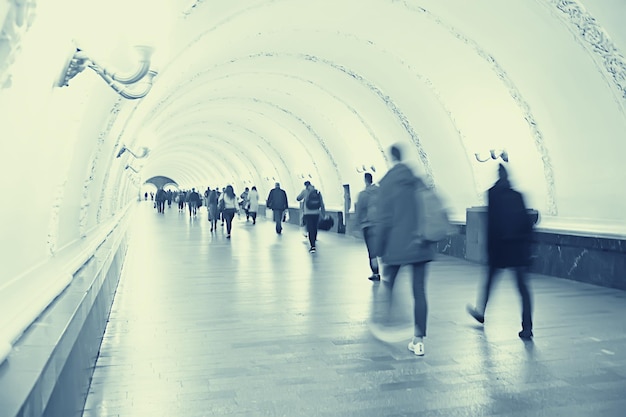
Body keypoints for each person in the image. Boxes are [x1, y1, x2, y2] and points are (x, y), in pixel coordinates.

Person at [371, 144, 434, 356]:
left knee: (388, 284)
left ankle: (386, 323)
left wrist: (377, 248)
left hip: (396, 245)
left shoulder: (387, 183)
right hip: (420, 244)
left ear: (391, 159)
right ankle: (419, 340)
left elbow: (383, 219)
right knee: (419, 291)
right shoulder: (417, 179)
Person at [467, 163, 535, 340]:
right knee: (523, 289)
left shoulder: (492, 194)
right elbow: (527, 223)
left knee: (489, 282)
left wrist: (487, 250)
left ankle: (481, 311)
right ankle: (527, 327)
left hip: (499, 248)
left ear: (498, 175)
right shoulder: (518, 196)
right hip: (519, 249)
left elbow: (492, 224)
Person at [355, 172, 380, 281]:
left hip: (368, 225)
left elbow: (359, 210)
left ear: (365, 180)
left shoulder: (363, 194)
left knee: (372, 251)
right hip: (379, 224)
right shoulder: (380, 192)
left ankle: (375, 273)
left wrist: (356, 225)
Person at [296, 180, 326, 253]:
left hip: (307, 213)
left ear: (306, 185)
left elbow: (298, 198)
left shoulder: (305, 191)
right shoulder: (317, 192)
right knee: (315, 228)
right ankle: (314, 240)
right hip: (316, 213)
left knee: (310, 229)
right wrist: (323, 213)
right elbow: (322, 203)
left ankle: (313, 246)